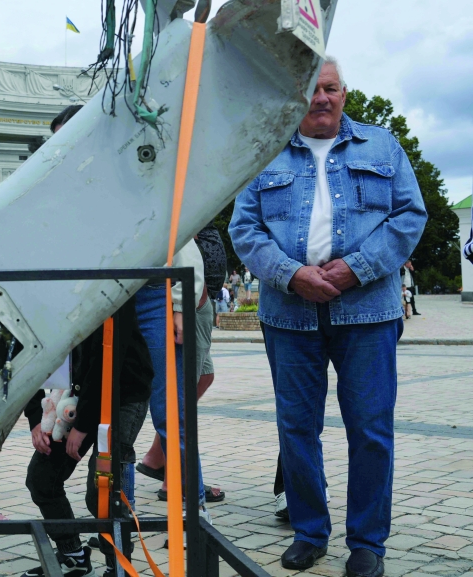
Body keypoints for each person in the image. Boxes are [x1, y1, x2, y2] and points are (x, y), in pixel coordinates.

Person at [229, 57, 427, 577]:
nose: (321, 97)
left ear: (344, 93)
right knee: (296, 429)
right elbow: (244, 228)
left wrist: (355, 269)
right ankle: (310, 531)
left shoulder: (382, 145)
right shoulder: (264, 148)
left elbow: (411, 215)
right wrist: (291, 273)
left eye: (331, 88)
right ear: (297, 95)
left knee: (370, 429)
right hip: (288, 313)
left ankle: (367, 544)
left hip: (368, 311)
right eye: (312, 89)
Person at [21, 301, 153, 577]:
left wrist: (83, 424)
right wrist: (36, 418)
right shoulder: (41, 288)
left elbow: (106, 361)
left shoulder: (112, 285)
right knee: (41, 478)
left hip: (123, 393)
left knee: (102, 491)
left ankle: (118, 566)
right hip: (73, 394)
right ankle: (73, 555)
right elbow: (29, 355)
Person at [134, 239, 224, 506]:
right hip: (109, 290)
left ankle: (193, 510)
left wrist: (182, 304)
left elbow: (182, 240)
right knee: (118, 417)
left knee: (171, 412)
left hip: (153, 291)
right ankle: (114, 514)